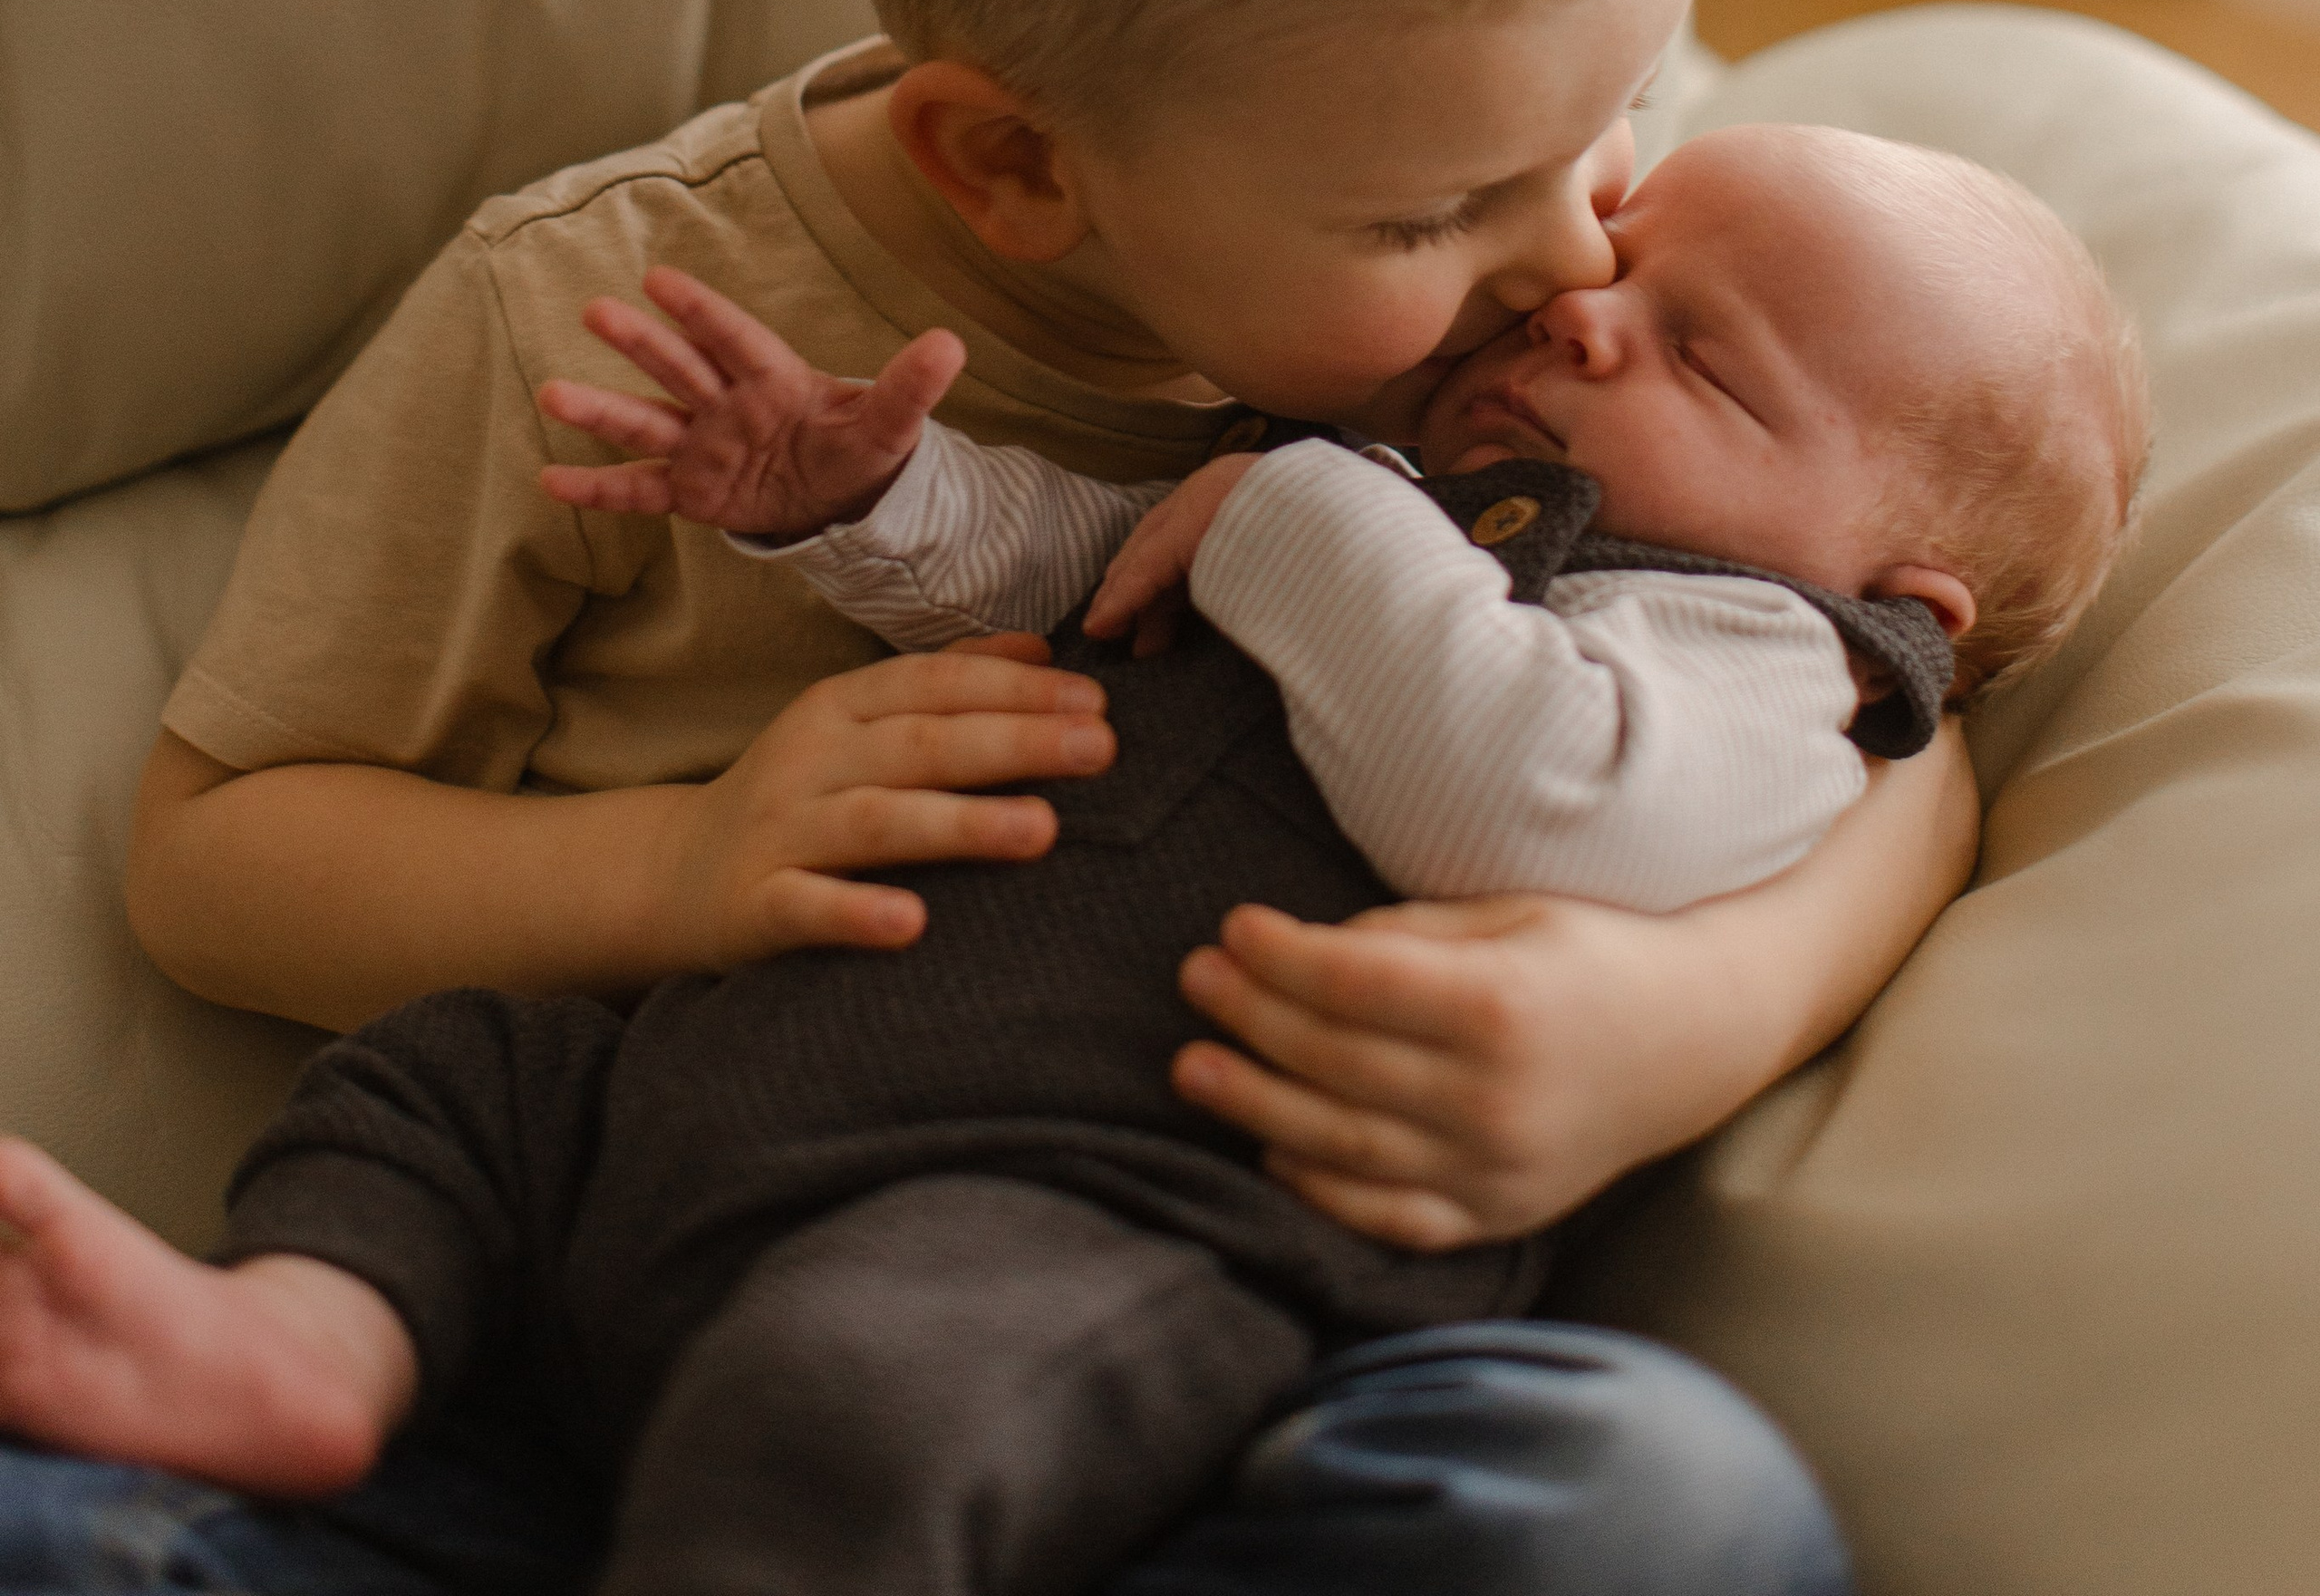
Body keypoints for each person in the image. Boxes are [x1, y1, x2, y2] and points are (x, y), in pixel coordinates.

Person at [0, 0, 1982, 1593]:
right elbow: (216, 862)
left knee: (1657, 1511)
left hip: (1191, 1325)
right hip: (593, 1274)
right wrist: (672, 873)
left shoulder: (1522, 314)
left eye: (1612, 116)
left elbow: (1881, 711)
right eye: (1443, 211)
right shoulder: (605, 326)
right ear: (1015, 163)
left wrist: (1672, 1021)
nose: (1575, 251)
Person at [0, 121, 2144, 1596]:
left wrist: (1306, 514)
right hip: (677, 1139)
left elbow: (1513, 789)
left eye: (1704, 358)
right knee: (453, 1077)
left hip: (1076, 1235)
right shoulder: (1379, 482)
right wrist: (853, 499)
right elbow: (1074, 565)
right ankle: (304, 1341)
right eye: (1624, 255)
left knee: (869, 1407)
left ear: (1904, 602)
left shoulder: (1755, 657)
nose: (1580, 308)